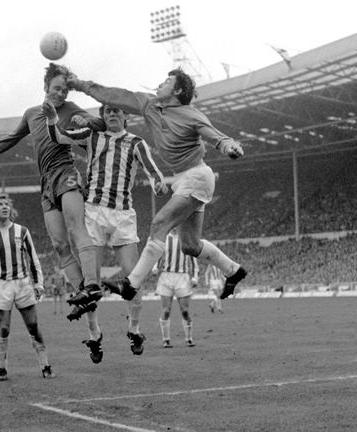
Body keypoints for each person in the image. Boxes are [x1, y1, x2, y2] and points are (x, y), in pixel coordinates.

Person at [67, 68, 248, 301]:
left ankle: (130, 285)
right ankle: (234, 270)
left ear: (179, 90)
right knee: (190, 246)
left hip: (198, 176)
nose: (161, 84)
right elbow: (115, 96)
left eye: (167, 81)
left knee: (160, 223)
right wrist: (80, 84)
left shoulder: (191, 115)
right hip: (183, 178)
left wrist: (227, 146)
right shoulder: (149, 105)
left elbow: (214, 135)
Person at [0, 62, 105, 323]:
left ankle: (92, 285)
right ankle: (82, 292)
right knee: (58, 244)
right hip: (46, 183)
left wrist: (86, 120)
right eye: (57, 88)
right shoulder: (32, 113)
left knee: (76, 227)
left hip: (66, 172)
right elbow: (12, 137)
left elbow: (98, 125)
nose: (61, 94)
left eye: (65, 90)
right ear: (46, 87)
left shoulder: (70, 109)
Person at [44, 102, 168, 360]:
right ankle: (94, 334)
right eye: (107, 111)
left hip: (123, 215)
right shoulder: (92, 136)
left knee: (133, 278)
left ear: (126, 115)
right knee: (92, 283)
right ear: (102, 116)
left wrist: (158, 184)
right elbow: (59, 136)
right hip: (93, 213)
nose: (112, 114)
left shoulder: (136, 143)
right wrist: (53, 117)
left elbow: (153, 171)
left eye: (117, 110)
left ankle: (134, 329)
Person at [0, 193, 53, 381]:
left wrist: (38, 284)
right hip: (0, 285)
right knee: (4, 328)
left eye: (7, 204)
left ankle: (45, 366)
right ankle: (2, 370)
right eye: (0, 204)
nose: (4, 207)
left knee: (33, 326)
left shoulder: (22, 231)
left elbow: (33, 258)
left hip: (22, 283)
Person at [153, 228, 199, 348]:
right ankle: (166, 340)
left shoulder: (186, 240)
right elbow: (158, 255)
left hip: (182, 277)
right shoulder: (164, 239)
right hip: (166, 277)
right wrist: (155, 268)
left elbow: (193, 259)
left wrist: (195, 277)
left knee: (185, 311)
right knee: (166, 311)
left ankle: (189, 339)